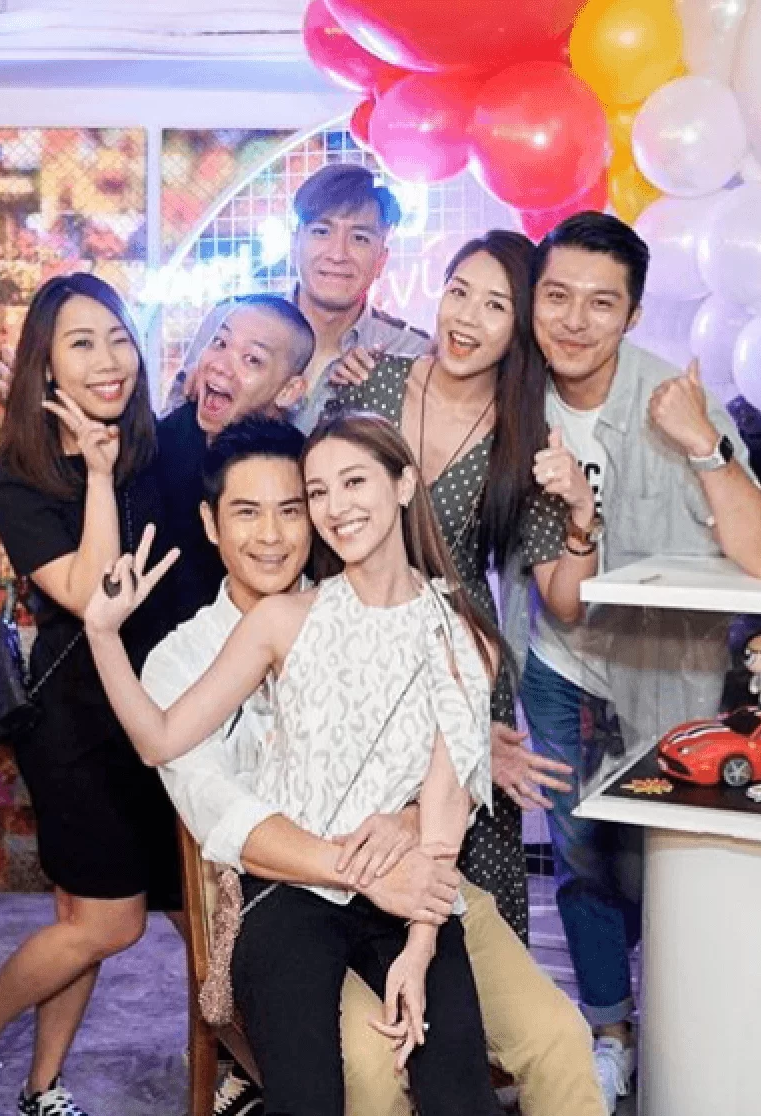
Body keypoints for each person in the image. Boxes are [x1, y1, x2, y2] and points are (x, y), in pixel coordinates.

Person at [144, 416, 608, 1116]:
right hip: (294, 892)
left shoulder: (389, 618)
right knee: (372, 1066)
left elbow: (434, 765)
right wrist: (364, 866)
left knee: (560, 1039)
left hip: (424, 880)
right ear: (211, 523)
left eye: (292, 508)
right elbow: (223, 813)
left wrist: (437, 788)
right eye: (247, 512)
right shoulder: (179, 662)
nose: (272, 534)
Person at [84, 413, 509, 1116]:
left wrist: (421, 946)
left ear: (404, 484)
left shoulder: (465, 639)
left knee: (460, 1095)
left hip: (405, 893)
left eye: (354, 482)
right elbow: (159, 740)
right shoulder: (283, 619)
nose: (336, 507)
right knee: (308, 1098)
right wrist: (102, 633)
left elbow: (442, 808)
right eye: (319, 492)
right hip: (289, 894)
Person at [518, 212, 761, 1110]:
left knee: (671, 865)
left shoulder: (672, 399)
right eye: (557, 296)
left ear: (632, 315)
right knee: (583, 857)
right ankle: (612, 1032)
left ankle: (688, 1030)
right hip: (560, 664)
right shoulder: (512, 400)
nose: (574, 321)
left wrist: (702, 444)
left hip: (669, 672)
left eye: (601, 303)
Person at [0, 273, 180, 1116]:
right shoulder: (18, 477)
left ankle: (41, 1088)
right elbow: (90, 593)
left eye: (118, 337)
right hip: (77, 729)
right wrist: (99, 479)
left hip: (158, 714)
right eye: (82, 343)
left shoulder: (155, 447)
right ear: (46, 368)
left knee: (82, 923)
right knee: (110, 923)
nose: (109, 360)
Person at [327, 230, 596, 941]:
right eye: (458, 292)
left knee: (468, 896)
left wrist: (581, 512)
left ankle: (478, 1015)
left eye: (495, 305)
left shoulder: (526, 438)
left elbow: (565, 600)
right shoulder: (371, 383)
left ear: (520, 329)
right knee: (359, 864)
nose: (466, 317)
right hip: (359, 651)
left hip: (462, 664)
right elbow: (314, 513)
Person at [162, 164, 430, 429]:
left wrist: (381, 391)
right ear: (294, 243)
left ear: (382, 259)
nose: (337, 254)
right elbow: (167, 439)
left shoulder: (409, 352)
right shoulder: (231, 320)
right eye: (321, 232)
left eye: (359, 238)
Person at [155, 292, 315, 619]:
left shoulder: (304, 469)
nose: (221, 366)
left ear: (289, 390)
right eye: (220, 343)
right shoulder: (159, 447)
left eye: (252, 359)